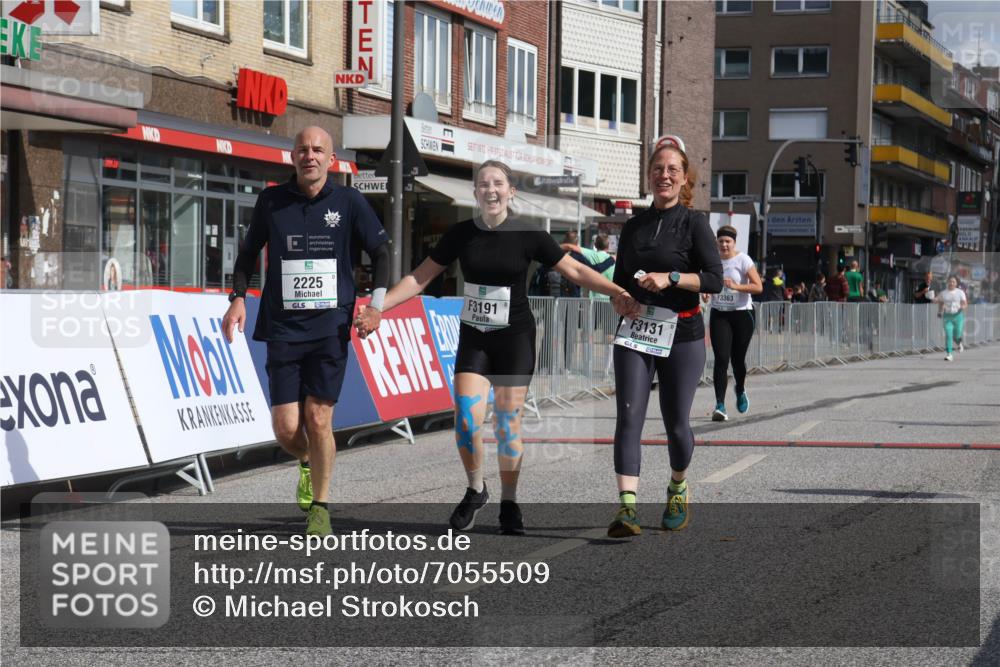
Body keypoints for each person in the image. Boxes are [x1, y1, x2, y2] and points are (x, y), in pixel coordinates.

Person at [355, 160, 639, 535]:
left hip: (515, 338)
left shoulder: (528, 233)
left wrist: (616, 290)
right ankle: (476, 489)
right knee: (467, 420)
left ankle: (509, 501)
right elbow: (419, 278)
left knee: (507, 424)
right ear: (475, 192)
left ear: (511, 192)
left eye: (498, 184)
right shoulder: (461, 233)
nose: (491, 190)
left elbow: (574, 271)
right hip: (475, 337)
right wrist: (377, 308)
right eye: (484, 184)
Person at [222, 126, 390, 537]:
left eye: (318, 150)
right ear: (292, 157)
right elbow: (247, 253)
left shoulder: (349, 202)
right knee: (285, 430)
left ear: (331, 160)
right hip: (282, 327)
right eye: (302, 149)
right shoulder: (272, 201)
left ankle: (321, 505)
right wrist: (238, 297)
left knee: (318, 419)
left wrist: (376, 305)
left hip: (330, 329)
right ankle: (306, 462)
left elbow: (382, 251)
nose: (309, 155)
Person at [605, 135, 722, 538]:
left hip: (683, 331)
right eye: (658, 169)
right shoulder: (634, 225)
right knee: (629, 416)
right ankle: (627, 508)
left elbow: (714, 280)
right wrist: (620, 299)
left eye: (672, 169)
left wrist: (672, 277)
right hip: (637, 330)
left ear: (684, 176)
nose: (664, 175)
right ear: (649, 176)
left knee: (676, 424)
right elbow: (620, 281)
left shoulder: (696, 223)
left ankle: (677, 486)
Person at [702, 225, 761, 423]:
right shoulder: (713, 261)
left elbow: (758, 286)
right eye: (721, 241)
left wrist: (736, 286)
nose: (724, 245)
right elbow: (707, 282)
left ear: (734, 243)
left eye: (728, 241)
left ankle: (741, 389)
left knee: (737, 359)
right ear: (716, 243)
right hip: (720, 314)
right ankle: (720, 405)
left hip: (742, 314)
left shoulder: (743, 260)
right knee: (721, 358)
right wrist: (706, 291)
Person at [562, 233, 616, 300]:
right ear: (608, 246)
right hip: (608, 299)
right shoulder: (614, 260)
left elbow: (572, 247)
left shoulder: (589, 254)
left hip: (592, 299)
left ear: (595, 245)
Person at [936, 275, 967, 361]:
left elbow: (965, 303)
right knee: (948, 335)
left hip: (958, 316)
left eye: (953, 282)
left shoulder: (960, 292)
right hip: (947, 316)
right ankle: (949, 354)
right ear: (947, 282)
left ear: (956, 283)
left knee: (956, 335)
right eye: (950, 281)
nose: (951, 283)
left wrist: (962, 307)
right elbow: (940, 302)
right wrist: (939, 312)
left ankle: (959, 343)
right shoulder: (943, 293)